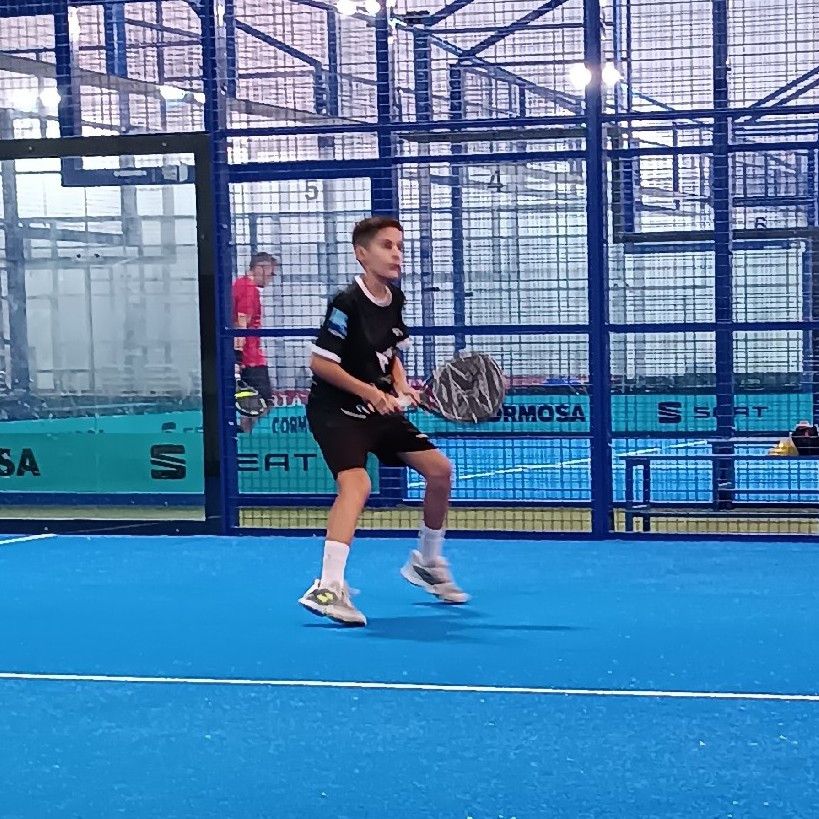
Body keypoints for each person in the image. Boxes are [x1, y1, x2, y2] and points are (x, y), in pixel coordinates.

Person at [298, 216, 468, 627]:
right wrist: (372, 393)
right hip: (336, 412)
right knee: (357, 484)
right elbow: (321, 364)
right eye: (386, 246)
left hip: (379, 410)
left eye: (400, 247)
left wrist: (401, 386)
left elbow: (390, 355)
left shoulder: (395, 299)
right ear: (362, 253)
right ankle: (328, 587)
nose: (396, 254)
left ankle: (427, 562)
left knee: (440, 471)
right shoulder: (346, 303)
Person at [232, 252, 277, 433]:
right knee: (265, 402)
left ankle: (242, 433)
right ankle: (242, 433)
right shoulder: (249, 289)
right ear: (261, 268)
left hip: (246, 356)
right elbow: (241, 323)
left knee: (253, 404)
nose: (271, 279)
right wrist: (237, 358)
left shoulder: (239, 285)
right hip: (250, 358)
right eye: (271, 273)